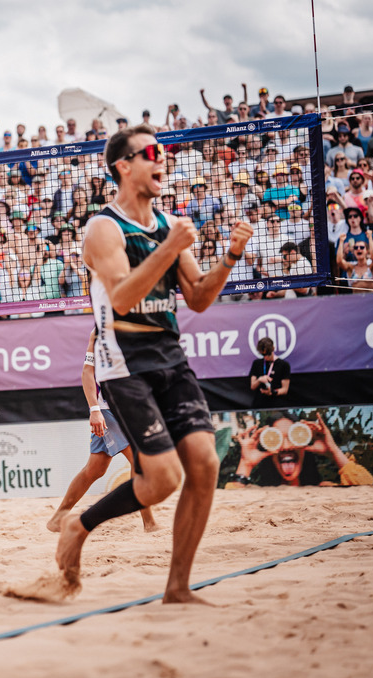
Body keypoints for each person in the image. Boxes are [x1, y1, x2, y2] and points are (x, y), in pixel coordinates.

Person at [55, 124, 253, 604]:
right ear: (124, 166)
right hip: (123, 363)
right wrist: (170, 247)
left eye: (164, 152)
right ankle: (80, 525)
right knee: (162, 479)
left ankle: (178, 588)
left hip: (170, 355)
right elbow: (121, 299)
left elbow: (200, 298)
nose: (162, 159)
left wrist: (230, 255)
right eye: (152, 152)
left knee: (205, 464)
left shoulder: (168, 225)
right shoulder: (104, 228)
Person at [47, 332, 158, 534]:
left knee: (95, 468)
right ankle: (149, 523)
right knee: (140, 461)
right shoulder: (101, 330)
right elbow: (87, 372)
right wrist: (95, 410)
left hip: (129, 406)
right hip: (107, 408)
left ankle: (58, 518)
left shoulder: (142, 323)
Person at [228, 413, 373, 487]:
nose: (285, 446)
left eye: (293, 437)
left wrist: (333, 451)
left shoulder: (325, 489)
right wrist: (246, 463)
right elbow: (230, 505)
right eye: (276, 439)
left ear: (304, 445)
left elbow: (368, 489)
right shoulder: (256, 492)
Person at [249, 337, 290, 409]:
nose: (266, 357)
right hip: (259, 403)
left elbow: (285, 389)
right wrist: (259, 380)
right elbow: (252, 386)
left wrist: (272, 392)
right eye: (263, 355)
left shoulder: (283, 365)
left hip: (276, 404)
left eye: (268, 354)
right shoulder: (257, 363)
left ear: (273, 349)